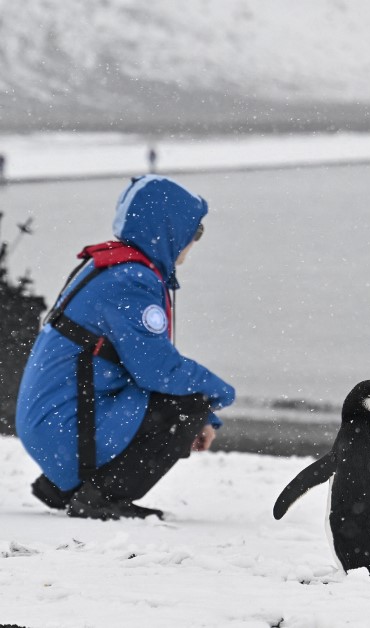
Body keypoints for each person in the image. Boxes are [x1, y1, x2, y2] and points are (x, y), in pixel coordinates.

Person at [16, 175, 236, 519]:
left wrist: (206, 416)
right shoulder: (131, 279)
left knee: (186, 399)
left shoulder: (113, 266)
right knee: (186, 404)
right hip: (64, 430)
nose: (194, 241)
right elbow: (158, 371)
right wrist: (218, 395)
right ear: (169, 230)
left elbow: (140, 366)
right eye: (195, 231)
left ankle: (66, 484)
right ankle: (99, 497)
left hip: (52, 425)